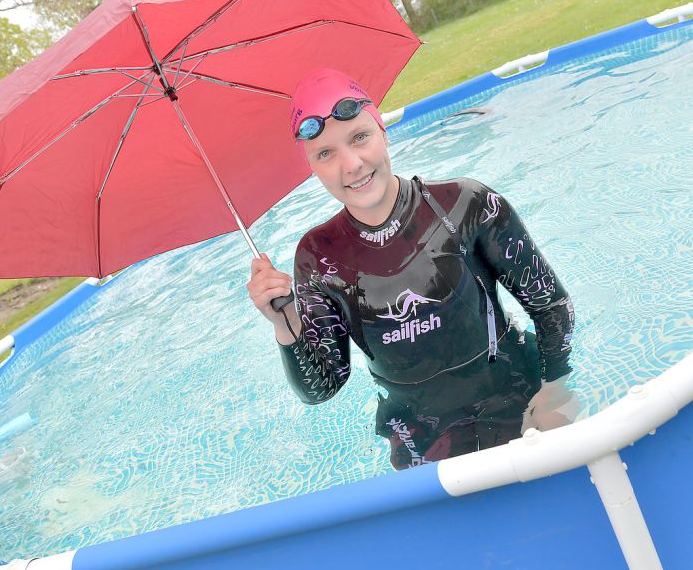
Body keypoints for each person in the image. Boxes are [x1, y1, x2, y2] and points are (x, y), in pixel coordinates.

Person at [247, 68, 578, 470]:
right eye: (325, 154)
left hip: (518, 391)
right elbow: (322, 388)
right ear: (312, 165)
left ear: (382, 129)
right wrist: (285, 322)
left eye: (359, 137)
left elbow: (551, 305)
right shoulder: (318, 256)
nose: (351, 164)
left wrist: (553, 389)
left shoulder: (465, 204)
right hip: (419, 431)